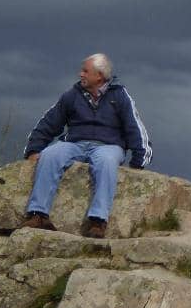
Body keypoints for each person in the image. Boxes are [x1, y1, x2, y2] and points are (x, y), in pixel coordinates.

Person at [20, 53, 152, 238]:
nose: (80, 74)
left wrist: (138, 161)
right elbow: (49, 122)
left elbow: (134, 127)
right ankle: (38, 214)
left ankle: (98, 221)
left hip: (108, 145)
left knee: (106, 162)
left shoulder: (120, 96)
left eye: (85, 71)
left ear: (99, 76)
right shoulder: (72, 95)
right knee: (50, 155)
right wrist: (34, 149)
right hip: (75, 142)